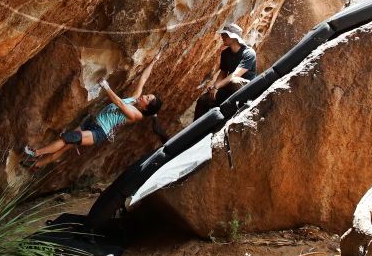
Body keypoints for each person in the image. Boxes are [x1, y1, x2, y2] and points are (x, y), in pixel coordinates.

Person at [22, 55, 163, 168]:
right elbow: (143, 79)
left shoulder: (137, 115)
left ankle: (36, 153)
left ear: (146, 107)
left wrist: (106, 86)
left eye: (147, 98)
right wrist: (154, 61)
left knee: (68, 138)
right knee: (64, 146)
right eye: (147, 95)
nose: (144, 96)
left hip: (99, 132)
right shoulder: (134, 99)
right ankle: (37, 165)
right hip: (91, 122)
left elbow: (119, 102)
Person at [193, 23, 256, 120]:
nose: (222, 36)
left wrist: (216, 86)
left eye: (225, 35)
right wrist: (214, 89)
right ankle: (195, 130)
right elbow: (223, 72)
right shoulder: (225, 53)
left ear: (234, 37)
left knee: (234, 81)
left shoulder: (249, 53)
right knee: (203, 100)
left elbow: (235, 74)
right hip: (229, 86)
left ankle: (237, 110)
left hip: (245, 88)